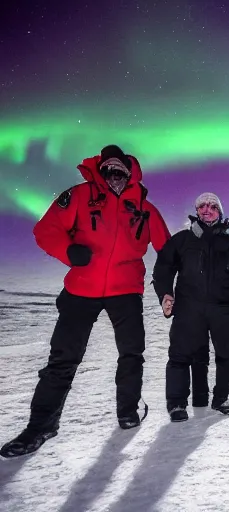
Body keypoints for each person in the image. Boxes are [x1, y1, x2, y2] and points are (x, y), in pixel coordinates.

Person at [0, 146, 171, 458]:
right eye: (108, 168)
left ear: (129, 172)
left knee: (132, 354)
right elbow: (46, 230)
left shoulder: (145, 208)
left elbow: (168, 251)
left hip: (126, 291)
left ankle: (128, 411)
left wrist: (173, 285)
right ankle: (40, 426)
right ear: (100, 170)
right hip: (81, 291)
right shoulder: (78, 196)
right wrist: (69, 252)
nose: (114, 174)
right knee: (62, 360)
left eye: (119, 169)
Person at [153, 192, 229, 422]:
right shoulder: (182, 240)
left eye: (212, 206)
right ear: (196, 212)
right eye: (202, 206)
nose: (207, 209)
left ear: (220, 212)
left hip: (222, 309)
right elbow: (163, 268)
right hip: (189, 308)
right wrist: (165, 293)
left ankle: (220, 399)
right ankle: (177, 403)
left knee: (223, 355)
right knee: (181, 355)